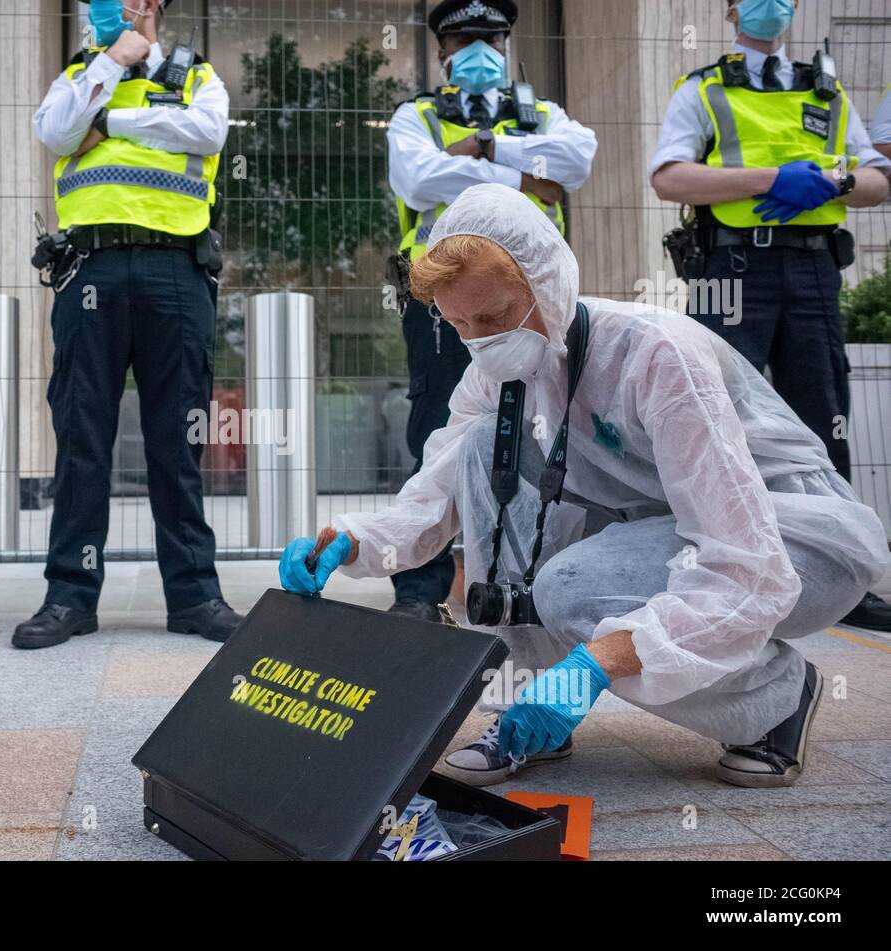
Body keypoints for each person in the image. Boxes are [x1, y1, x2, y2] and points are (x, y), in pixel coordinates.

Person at [280, 184, 888, 789]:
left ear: (547, 283)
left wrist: (596, 664)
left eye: (493, 316)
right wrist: (351, 542)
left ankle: (774, 697)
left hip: (793, 537)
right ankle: (525, 697)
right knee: (482, 440)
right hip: (659, 528)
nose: (480, 340)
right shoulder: (498, 372)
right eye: (461, 323)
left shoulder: (653, 355)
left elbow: (743, 561)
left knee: (571, 591)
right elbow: (435, 493)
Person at [651, 0, 891, 632]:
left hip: (813, 269)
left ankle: (842, 582)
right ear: (731, 11)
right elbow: (671, 179)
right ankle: (707, 565)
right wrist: (769, 179)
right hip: (727, 269)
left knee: (823, 417)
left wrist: (832, 181)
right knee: (707, 412)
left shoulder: (828, 89)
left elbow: (877, 180)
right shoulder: (703, 89)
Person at [22, 0, 242, 649]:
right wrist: (111, 66)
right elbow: (57, 133)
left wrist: (111, 119)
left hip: (177, 266)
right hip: (89, 268)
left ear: (148, 4)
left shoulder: (197, 75)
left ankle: (194, 595)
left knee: (178, 441)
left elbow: (206, 134)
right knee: (81, 435)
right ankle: (69, 595)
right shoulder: (76, 74)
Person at [385, 0, 595, 622]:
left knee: (545, 426)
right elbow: (419, 182)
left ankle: (531, 578)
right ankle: (419, 595)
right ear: (443, 52)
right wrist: (528, 175)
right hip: (444, 300)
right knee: (435, 427)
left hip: (532, 299)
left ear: (506, 44)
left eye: (492, 37)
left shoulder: (544, 114)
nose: (480, 48)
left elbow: (577, 161)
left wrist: (481, 147)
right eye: (465, 39)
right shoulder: (414, 115)